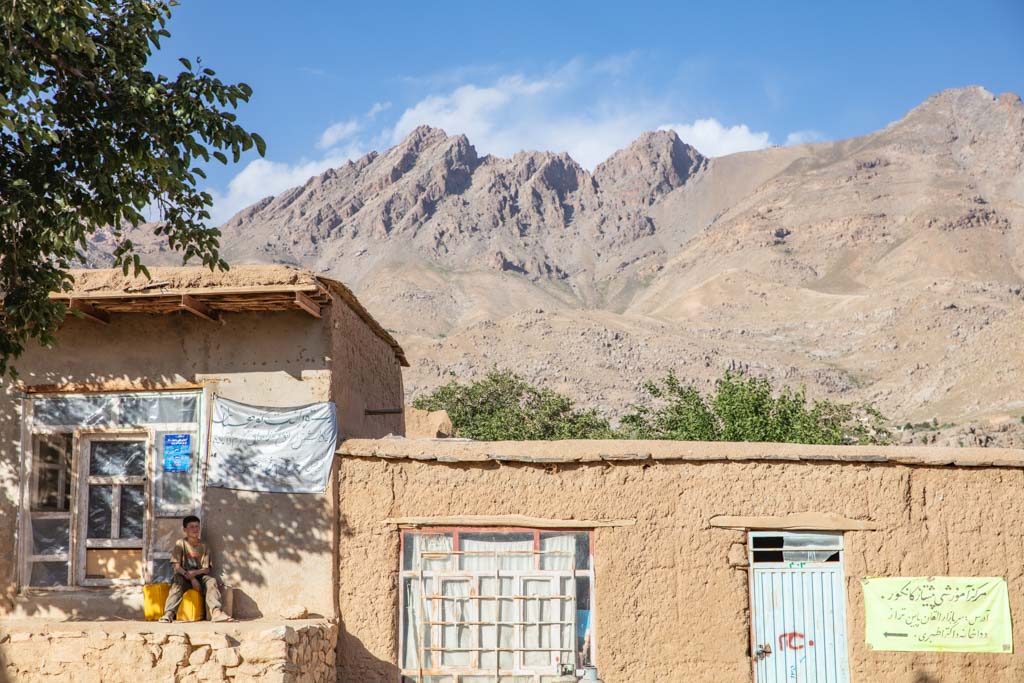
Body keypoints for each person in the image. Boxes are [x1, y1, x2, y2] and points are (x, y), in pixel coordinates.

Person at [159, 515, 234, 623]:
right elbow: (176, 566)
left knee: (211, 581)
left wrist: (195, 574)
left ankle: (217, 613)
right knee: (177, 584)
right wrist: (191, 578)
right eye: (191, 527)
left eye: (197, 527)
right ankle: (168, 614)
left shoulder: (204, 545)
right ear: (185, 530)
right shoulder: (181, 543)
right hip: (183, 575)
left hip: (200, 576)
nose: (195, 529)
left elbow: (207, 569)